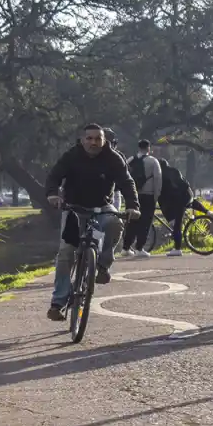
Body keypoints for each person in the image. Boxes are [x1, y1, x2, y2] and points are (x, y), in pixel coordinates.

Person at [44, 124, 141, 321]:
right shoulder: (71, 156)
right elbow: (54, 176)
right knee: (65, 253)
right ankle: (58, 303)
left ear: (104, 140)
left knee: (114, 223)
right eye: (89, 138)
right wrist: (53, 195)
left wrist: (133, 205)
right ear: (82, 140)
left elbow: (126, 182)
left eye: (98, 138)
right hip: (73, 208)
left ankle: (103, 266)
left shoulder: (113, 158)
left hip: (102, 208)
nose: (93, 142)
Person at [157, 158, 208, 257]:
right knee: (189, 203)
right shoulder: (174, 170)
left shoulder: (161, 175)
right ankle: (207, 211)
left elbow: (162, 194)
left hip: (179, 199)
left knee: (177, 224)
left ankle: (177, 248)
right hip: (187, 194)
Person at [122, 139, 162, 257]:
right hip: (148, 195)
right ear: (148, 148)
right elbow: (158, 179)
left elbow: (124, 178)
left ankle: (126, 248)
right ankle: (140, 248)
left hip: (134, 196)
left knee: (132, 222)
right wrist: (156, 196)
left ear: (138, 148)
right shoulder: (153, 161)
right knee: (145, 222)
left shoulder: (130, 160)